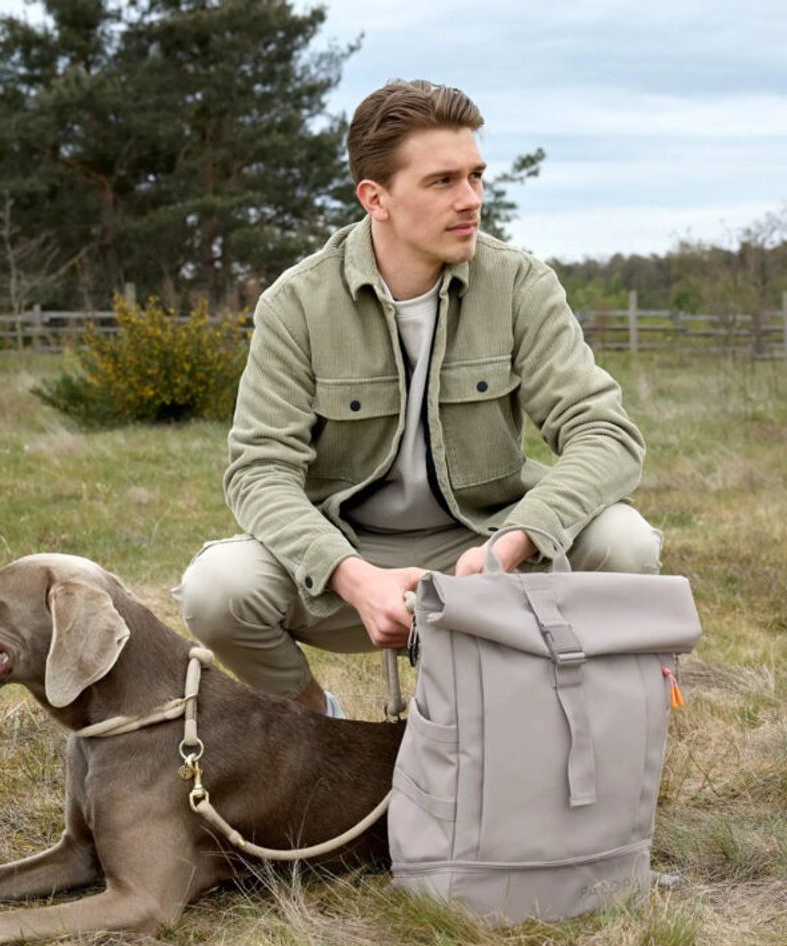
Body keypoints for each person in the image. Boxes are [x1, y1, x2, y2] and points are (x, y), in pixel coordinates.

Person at [177, 79, 661, 717]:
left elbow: (606, 435)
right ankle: (317, 725)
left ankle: (565, 726)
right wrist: (353, 576)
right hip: (349, 555)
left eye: (476, 176)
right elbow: (259, 472)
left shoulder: (521, 285)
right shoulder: (296, 304)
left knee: (626, 542)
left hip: (489, 542)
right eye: (442, 182)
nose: (471, 200)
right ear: (375, 198)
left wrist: (514, 542)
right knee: (216, 589)